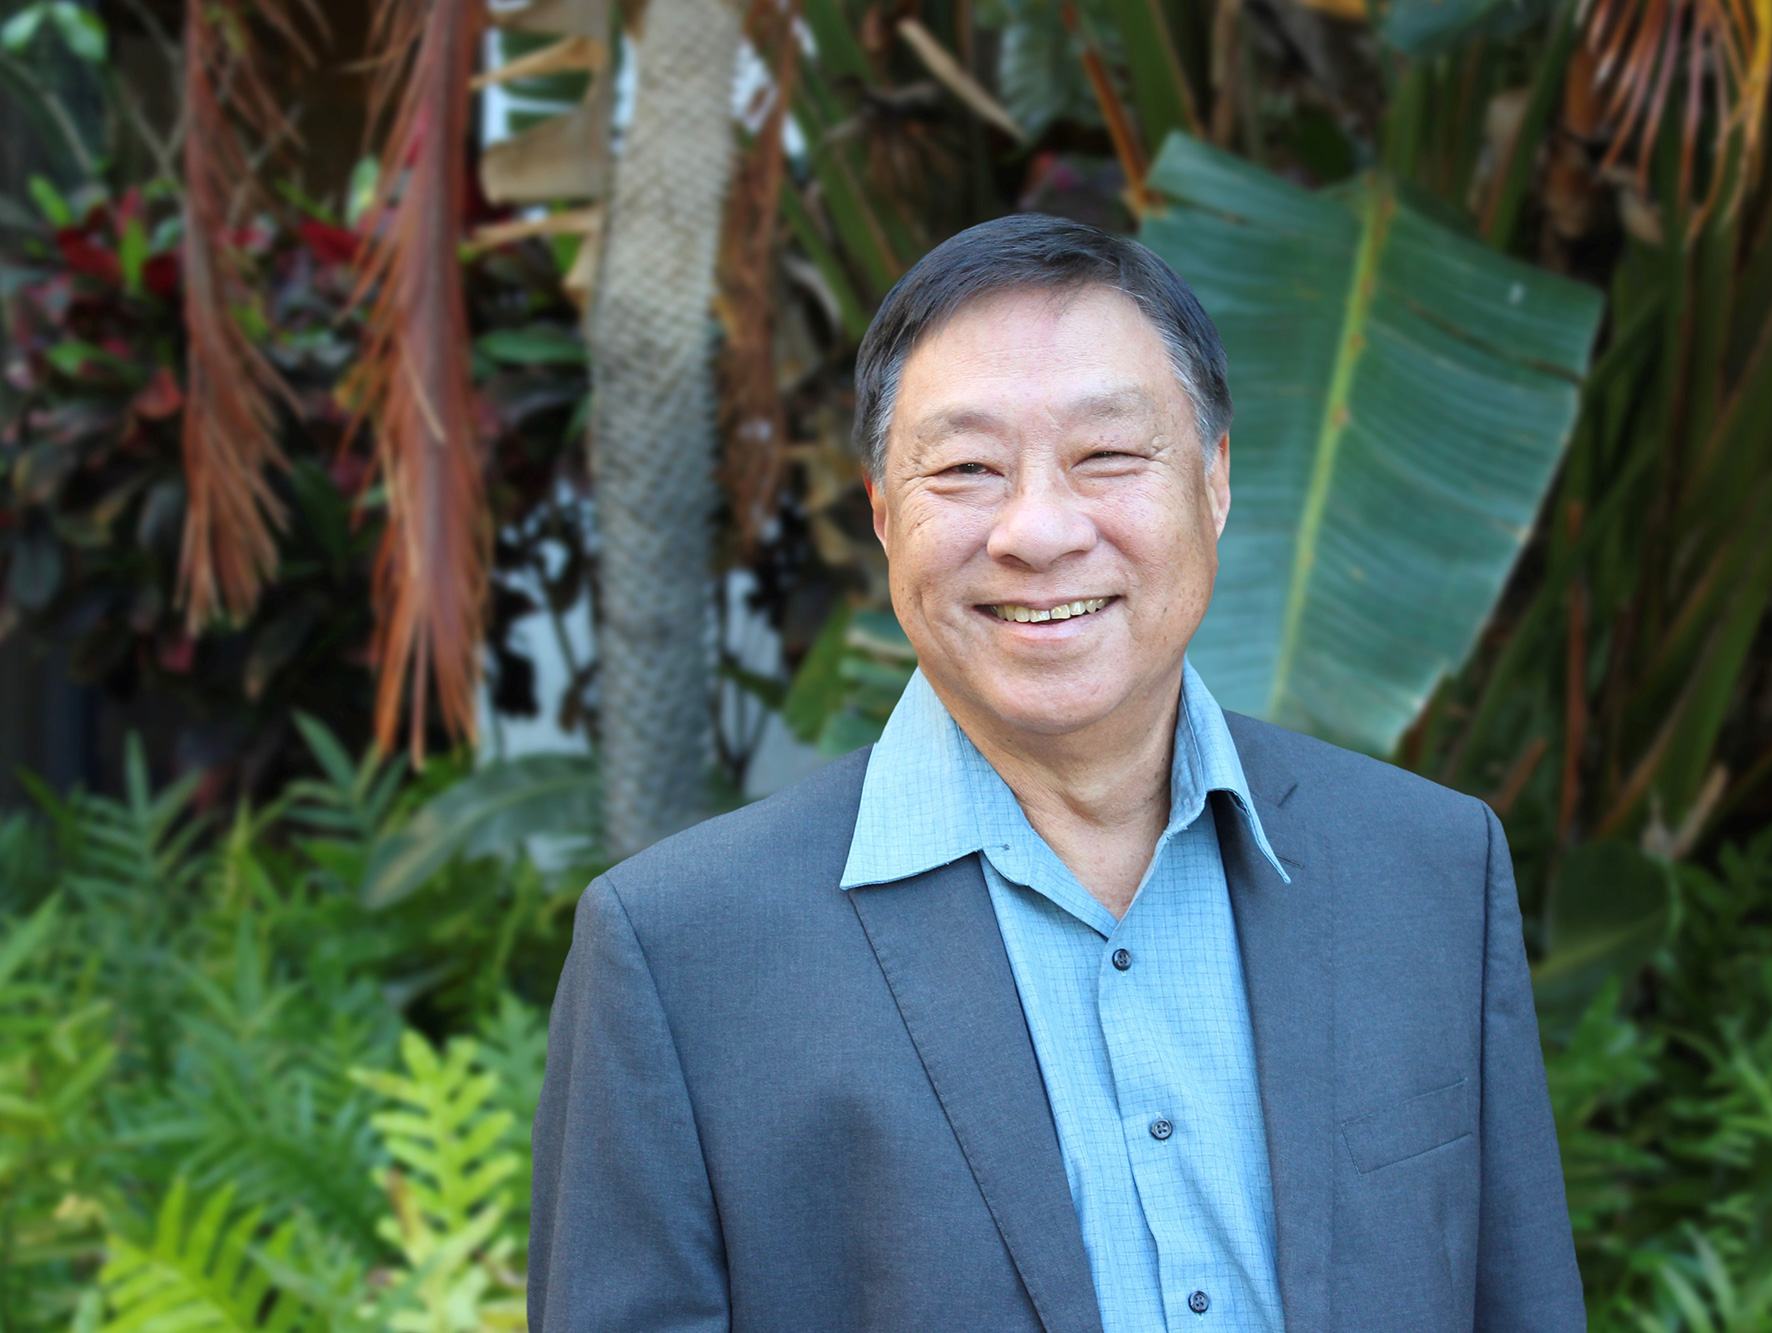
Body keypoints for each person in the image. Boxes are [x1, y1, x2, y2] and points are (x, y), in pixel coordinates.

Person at [526, 213, 1585, 1331]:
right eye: (966, 469)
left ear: (1214, 485)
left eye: (1108, 457)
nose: (1036, 529)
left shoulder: (1426, 868)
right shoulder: (681, 954)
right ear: (885, 516)